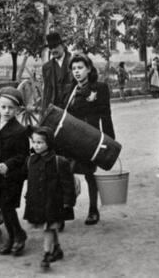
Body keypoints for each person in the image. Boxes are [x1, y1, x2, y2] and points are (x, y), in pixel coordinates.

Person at [64, 53, 115, 225]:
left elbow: (106, 116)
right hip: (71, 139)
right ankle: (67, 206)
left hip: (90, 139)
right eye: (74, 69)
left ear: (89, 69)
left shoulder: (99, 88)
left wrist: (110, 142)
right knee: (66, 171)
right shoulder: (70, 89)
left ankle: (93, 209)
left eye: (80, 68)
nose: (77, 72)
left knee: (88, 173)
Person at [23, 126, 76, 270]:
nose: (36, 145)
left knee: (48, 228)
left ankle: (46, 254)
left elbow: (68, 184)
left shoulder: (59, 162)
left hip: (54, 203)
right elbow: (31, 181)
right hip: (39, 203)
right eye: (34, 142)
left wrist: (68, 202)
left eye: (40, 142)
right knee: (50, 227)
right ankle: (57, 249)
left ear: (49, 143)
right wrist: (29, 196)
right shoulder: (31, 161)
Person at [0, 87, 29, 256]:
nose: (6, 111)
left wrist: (8, 165)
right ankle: (15, 236)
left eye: (11, 108)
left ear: (17, 110)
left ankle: (16, 237)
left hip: (12, 176)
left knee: (8, 207)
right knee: (3, 208)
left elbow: (23, 155)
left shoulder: (19, 131)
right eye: (3, 107)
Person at [42, 32, 74, 111]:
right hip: (55, 109)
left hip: (73, 108)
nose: (53, 50)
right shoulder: (46, 67)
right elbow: (47, 92)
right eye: (51, 47)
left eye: (55, 46)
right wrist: (44, 113)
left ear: (63, 46)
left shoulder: (74, 61)